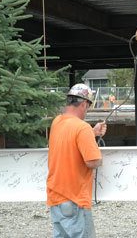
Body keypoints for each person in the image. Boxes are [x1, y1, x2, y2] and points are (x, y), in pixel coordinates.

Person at [47, 83, 107, 237]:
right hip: (75, 201)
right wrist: (99, 155)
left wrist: (91, 133)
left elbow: (69, 141)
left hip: (56, 199)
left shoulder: (57, 122)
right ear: (84, 104)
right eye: (88, 106)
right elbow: (92, 161)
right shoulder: (82, 128)